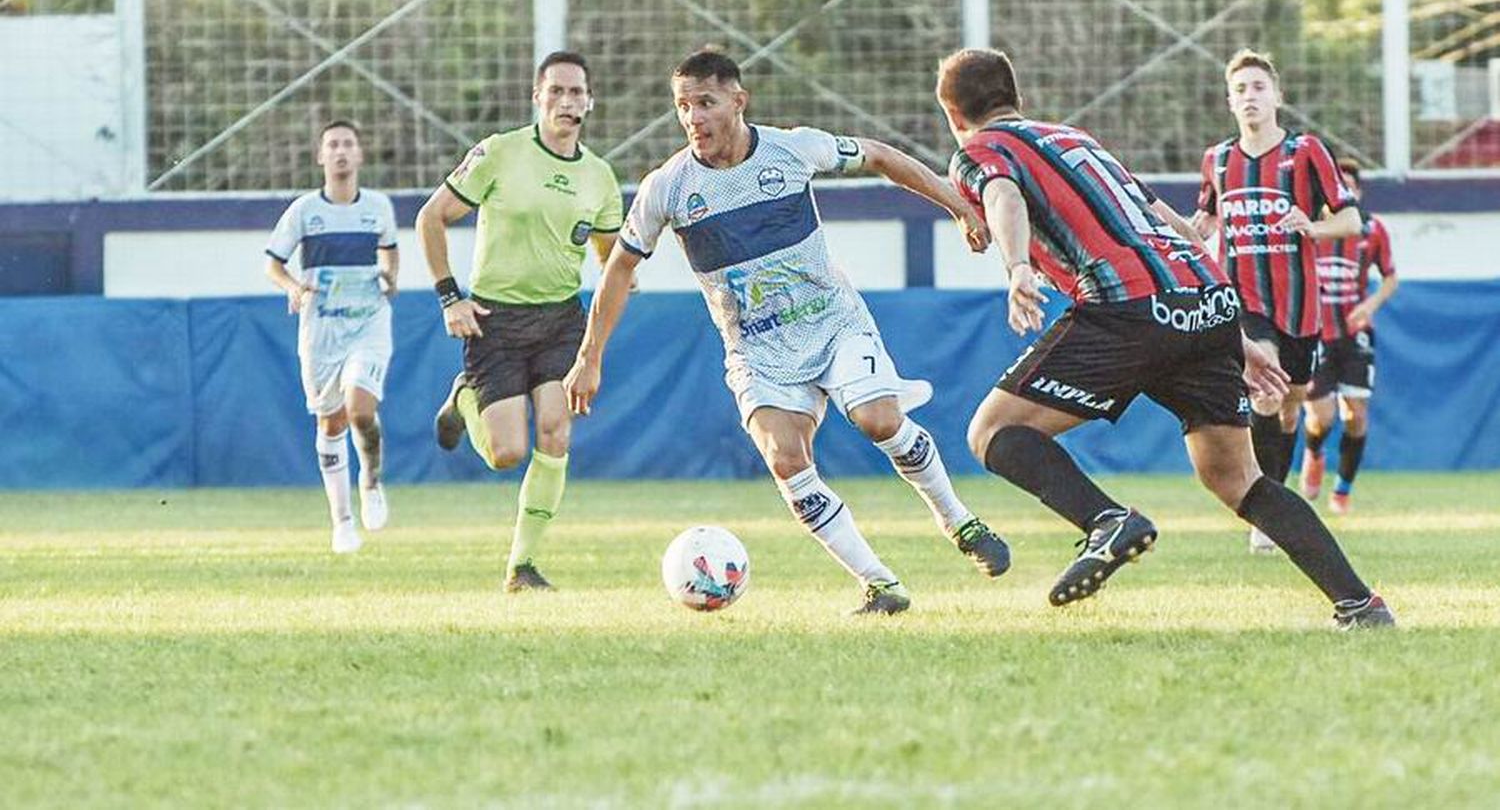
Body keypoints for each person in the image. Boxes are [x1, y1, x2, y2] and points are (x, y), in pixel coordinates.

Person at [938, 47, 1392, 629]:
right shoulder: (1078, 141)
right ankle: (1361, 604)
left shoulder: (977, 150)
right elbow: (1162, 217)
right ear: (1016, 97)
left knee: (992, 432)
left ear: (953, 113)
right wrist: (1230, 330)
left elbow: (1001, 194)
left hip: (1125, 306)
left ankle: (1107, 520)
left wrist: (1016, 266)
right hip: (1205, 296)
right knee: (1235, 478)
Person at [563, 48, 1011, 616]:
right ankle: (879, 584)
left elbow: (877, 156)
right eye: (682, 107)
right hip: (757, 351)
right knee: (785, 459)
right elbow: (620, 268)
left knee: (878, 420)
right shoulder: (668, 188)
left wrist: (958, 207)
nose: (693, 118)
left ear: (738, 101)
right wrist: (589, 356)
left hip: (833, 325)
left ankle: (958, 520)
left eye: (706, 103)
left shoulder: (791, 149)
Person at [416, 51, 623, 592]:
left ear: (590, 103)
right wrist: (448, 298)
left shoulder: (600, 178)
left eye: (577, 92)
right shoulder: (499, 153)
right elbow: (430, 217)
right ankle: (465, 399)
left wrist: (617, 278)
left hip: (560, 320)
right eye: (556, 91)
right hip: (495, 320)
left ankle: (522, 568)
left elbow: (610, 256)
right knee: (506, 454)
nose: (567, 101)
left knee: (555, 431)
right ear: (538, 98)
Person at [1192, 49, 1364, 554]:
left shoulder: (1306, 152)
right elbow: (1204, 222)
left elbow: (1349, 221)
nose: (1250, 97)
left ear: (1277, 97)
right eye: (1240, 90)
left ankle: (1275, 495)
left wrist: (1311, 226)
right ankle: (1264, 517)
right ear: (1230, 101)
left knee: (1290, 409)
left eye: (1258, 88)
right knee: (1264, 393)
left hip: (1300, 312)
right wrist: (1177, 234)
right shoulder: (1217, 160)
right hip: (1245, 303)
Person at [265, 119, 398, 554]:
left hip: (368, 321)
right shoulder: (305, 211)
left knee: (361, 408)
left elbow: (390, 253)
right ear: (321, 156)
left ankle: (372, 479)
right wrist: (293, 288)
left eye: (348, 144)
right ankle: (341, 520)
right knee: (331, 420)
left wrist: (390, 277)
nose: (341, 152)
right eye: (333, 145)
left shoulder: (377, 206)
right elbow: (274, 263)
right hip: (322, 327)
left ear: (359, 155)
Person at [1299, 159, 1398, 513]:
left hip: (1355, 334)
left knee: (1355, 414)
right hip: (1315, 333)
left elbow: (1390, 277)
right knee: (1321, 417)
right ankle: (1313, 452)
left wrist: (1369, 306)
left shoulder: (1371, 230)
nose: (1346, 192)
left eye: (1352, 187)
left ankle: (1342, 490)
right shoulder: (1310, 226)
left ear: (1358, 192)